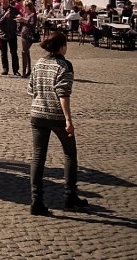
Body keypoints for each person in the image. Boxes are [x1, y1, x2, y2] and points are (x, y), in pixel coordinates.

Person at [28, 32, 88, 215]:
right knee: (70, 153)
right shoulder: (64, 65)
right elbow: (63, 94)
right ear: (62, 47)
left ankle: (36, 201)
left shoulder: (39, 63)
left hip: (37, 114)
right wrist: (68, 119)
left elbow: (30, 89)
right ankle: (70, 196)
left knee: (38, 157)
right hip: (56, 116)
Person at [0, 0, 20, 76]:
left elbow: (20, 16)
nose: (5, 4)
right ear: (1, 2)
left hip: (12, 34)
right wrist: (4, 16)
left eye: (6, 2)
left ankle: (15, 70)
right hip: (2, 34)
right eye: (3, 2)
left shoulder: (14, 9)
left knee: (14, 53)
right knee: (3, 53)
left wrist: (19, 18)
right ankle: (5, 69)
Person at [18, 0, 38, 77]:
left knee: (24, 52)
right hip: (23, 34)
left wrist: (24, 20)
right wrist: (20, 20)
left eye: (24, 6)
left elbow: (32, 24)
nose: (23, 8)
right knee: (26, 52)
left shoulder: (32, 15)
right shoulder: (26, 14)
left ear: (27, 7)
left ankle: (24, 72)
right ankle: (28, 69)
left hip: (28, 35)